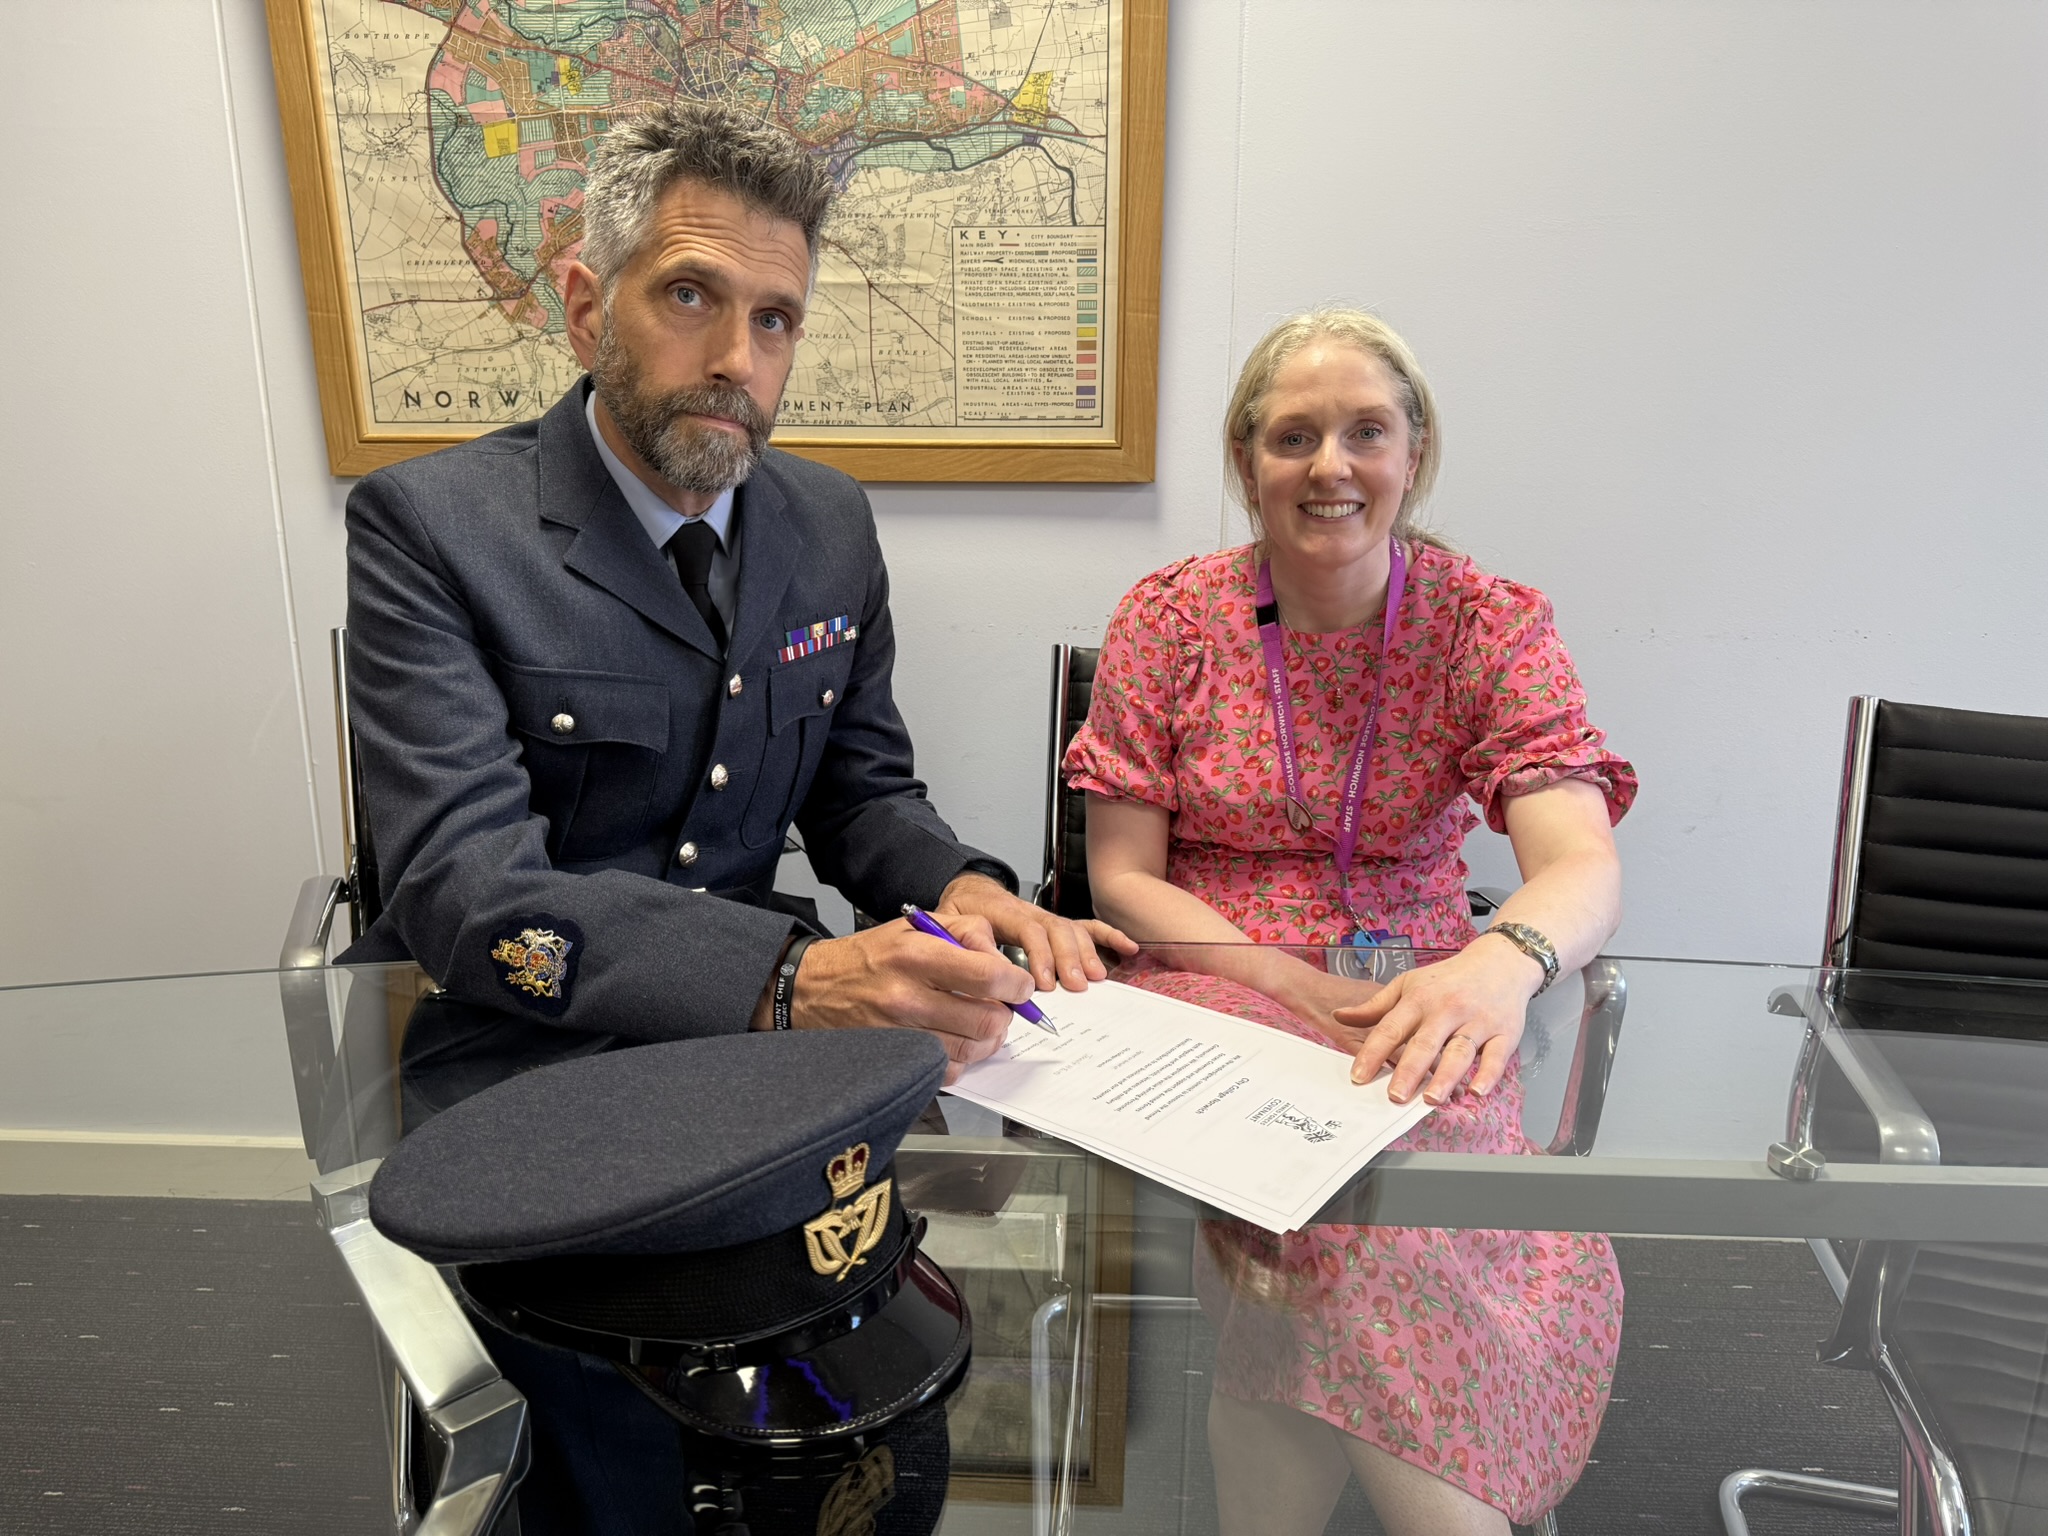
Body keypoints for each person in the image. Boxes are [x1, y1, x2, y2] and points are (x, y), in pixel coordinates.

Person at [339, 100, 1129, 1120]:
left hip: (771, 1051)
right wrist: (787, 980)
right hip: (521, 1043)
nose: (735, 361)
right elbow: (464, 890)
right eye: (686, 295)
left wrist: (954, 887)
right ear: (585, 308)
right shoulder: (431, 527)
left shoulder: (830, 521)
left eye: (773, 318)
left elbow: (860, 795)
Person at [1062, 306, 1636, 1535]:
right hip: (1212, 973)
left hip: (1422, 982)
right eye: (1292, 436)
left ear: (1413, 454)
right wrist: (1286, 983)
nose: (1329, 467)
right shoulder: (1169, 619)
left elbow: (1577, 860)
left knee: (1395, 1226)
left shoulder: (1485, 624)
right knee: (1315, 1207)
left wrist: (1502, 964)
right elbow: (1120, 878)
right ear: (1246, 463)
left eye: (1364, 432)